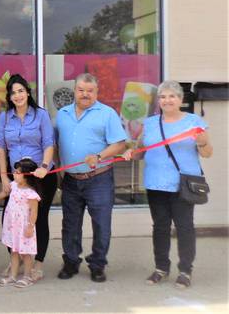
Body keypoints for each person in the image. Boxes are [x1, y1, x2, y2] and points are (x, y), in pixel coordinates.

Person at [122, 80, 212, 289]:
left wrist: (202, 142)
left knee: (184, 227)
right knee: (160, 227)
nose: (167, 100)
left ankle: (185, 270)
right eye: (163, 97)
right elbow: (140, 152)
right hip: (156, 184)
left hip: (182, 185)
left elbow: (208, 153)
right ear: (158, 101)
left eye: (172, 96)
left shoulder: (194, 122)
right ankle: (161, 268)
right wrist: (130, 152)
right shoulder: (151, 123)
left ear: (180, 99)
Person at [56, 73, 127, 283]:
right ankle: (70, 262)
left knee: (101, 225)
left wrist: (99, 156)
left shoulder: (107, 114)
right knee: (70, 225)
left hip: (99, 179)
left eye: (90, 90)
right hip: (70, 180)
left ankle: (97, 265)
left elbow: (120, 144)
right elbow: (57, 143)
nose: (85, 94)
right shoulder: (62, 114)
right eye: (81, 90)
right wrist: (60, 171)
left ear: (96, 92)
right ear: (74, 90)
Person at [0, 74, 56, 280]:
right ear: (9, 97)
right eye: (13, 92)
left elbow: (49, 143)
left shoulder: (41, 115)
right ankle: (17, 260)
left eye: (21, 91)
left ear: (28, 93)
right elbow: (2, 149)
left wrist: (45, 167)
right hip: (16, 180)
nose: (18, 95)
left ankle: (37, 264)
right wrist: (4, 178)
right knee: (10, 219)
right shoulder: (4, 117)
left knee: (37, 220)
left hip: (40, 178)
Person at [0, 158, 42, 288]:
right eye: (15, 171)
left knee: (25, 253)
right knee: (14, 251)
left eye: (18, 172)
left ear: (27, 176)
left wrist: (30, 226)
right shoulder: (13, 185)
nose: (14, 174)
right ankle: (13, 275)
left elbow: (34, 212)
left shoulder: (31, 194)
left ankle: (27, 276)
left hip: (24, 227)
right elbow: (4, 193)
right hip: (12, 226)